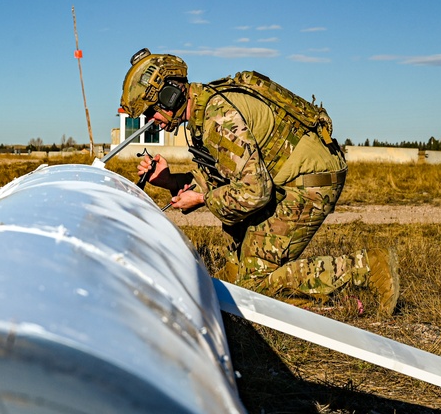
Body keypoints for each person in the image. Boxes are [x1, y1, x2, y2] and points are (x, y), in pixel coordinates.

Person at [121, 48, 399, 315]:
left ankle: (367, 268)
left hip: (310, 182)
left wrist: (204, 199)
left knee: (253, 287)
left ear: (170, 96)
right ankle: (238, 276)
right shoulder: (203, 110)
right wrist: (169, 180)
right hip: (282, 178)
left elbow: (255, 192)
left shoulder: (218, 118)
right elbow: (221, 176)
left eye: (151, 111)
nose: (151, 120)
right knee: (235, 278)